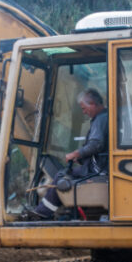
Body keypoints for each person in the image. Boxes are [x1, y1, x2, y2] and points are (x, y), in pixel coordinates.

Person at [24, 88, 108, 220]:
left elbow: (96, 144)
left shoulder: (100, 119)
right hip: (101, 168)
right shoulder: (106, 117)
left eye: (84, 108)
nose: (84, 112)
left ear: (92, 104)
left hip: (98, 171)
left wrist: (77, 153)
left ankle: (43, 213)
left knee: (62, 176)